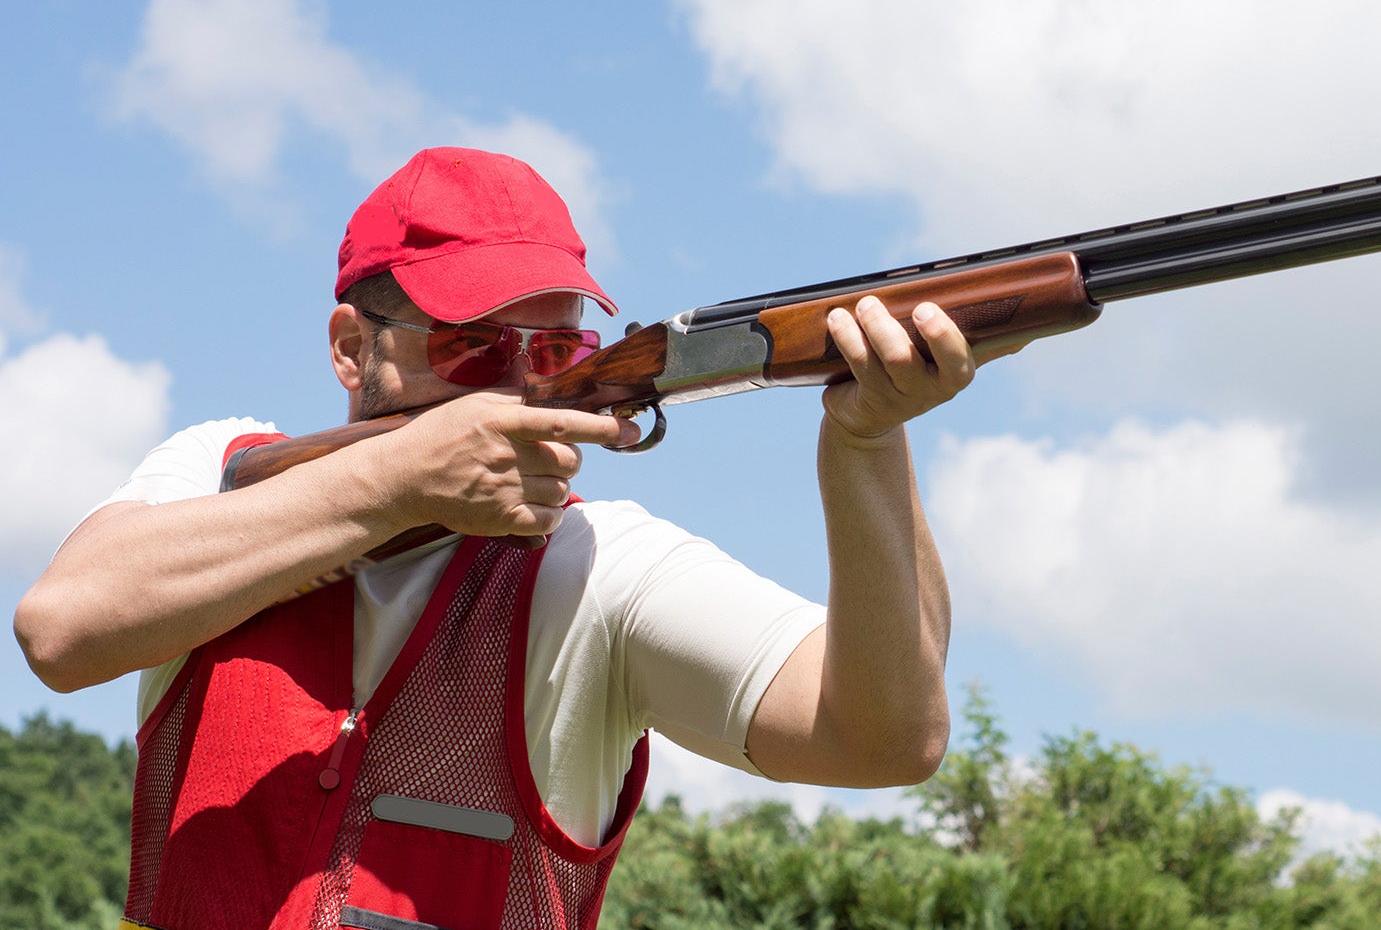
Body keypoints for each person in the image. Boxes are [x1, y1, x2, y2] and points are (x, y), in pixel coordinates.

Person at [13, 147, 989, 929]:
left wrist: (865, 437)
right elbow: (61, 631)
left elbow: (883, 740)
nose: (521, 386)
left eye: (556, 351)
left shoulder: (602, 569)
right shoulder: (219, 467)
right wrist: (398, 478)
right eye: (471, 345)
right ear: (352, 346)